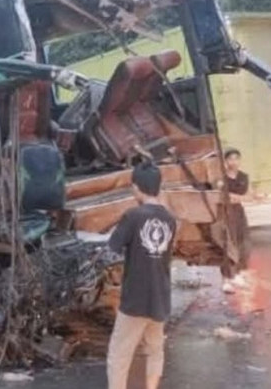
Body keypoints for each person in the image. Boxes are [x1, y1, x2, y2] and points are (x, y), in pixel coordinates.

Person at [107, 162, 177, 389]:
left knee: (119, 354)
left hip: (135, 299)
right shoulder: (169, 219)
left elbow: (112, 248)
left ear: (136, 187)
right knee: (155, 351)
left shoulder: (133, 216)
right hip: (160, 296)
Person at [220, 147, 252, 294]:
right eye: (230, 159)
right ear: (225, 161)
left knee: (243, 243)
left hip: (238, 212)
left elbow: (248, 196)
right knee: (227, 245)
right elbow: (222, 196)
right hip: (225, 213)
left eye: (236, 158)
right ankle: (226, 279)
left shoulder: (244, 177)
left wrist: (233, 197)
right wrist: (234, 197)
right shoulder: (221, 178)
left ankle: (238, 274)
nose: (234, 162)